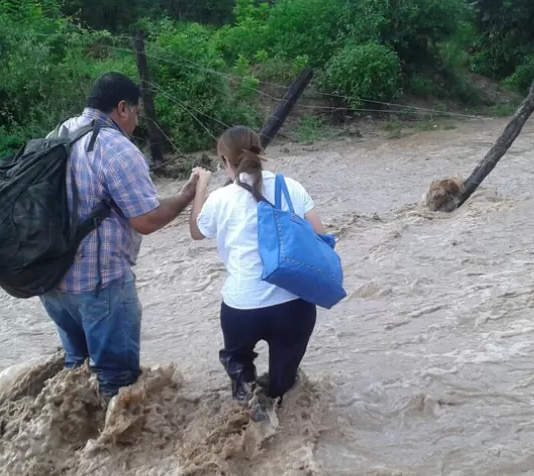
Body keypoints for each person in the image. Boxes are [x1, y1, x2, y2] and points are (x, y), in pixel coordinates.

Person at [41, 71, 201, 400]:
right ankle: (112, 448)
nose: (137, 122)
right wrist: (187, 195)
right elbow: (146, 220)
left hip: (51, 282)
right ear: (123, 108)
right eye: (138, 112)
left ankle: (73, 442)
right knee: (117, 382)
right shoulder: (117, 150)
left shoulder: (58, 133)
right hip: (100, 287)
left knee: (77, 369)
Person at [188, 125, 326, 404]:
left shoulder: (220, 199)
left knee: (241, 381)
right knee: (282, 387)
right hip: (294, 307)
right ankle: (277, 393)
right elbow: (321, 237)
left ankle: (248, 406)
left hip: (242, 309)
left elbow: (196, 232)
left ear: (226, 163)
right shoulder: (291, 188)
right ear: (261, 152)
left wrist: (200, 186)